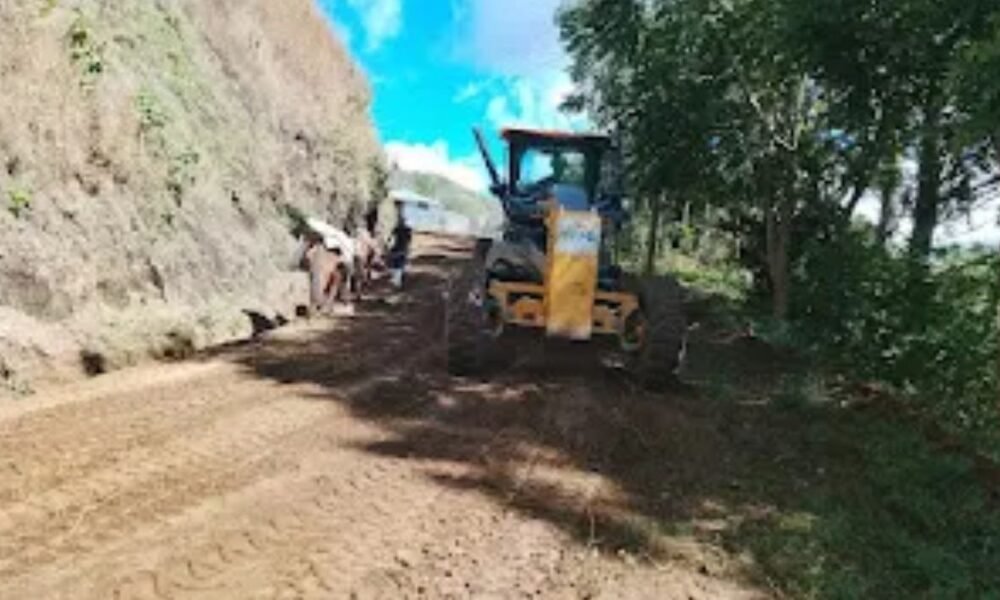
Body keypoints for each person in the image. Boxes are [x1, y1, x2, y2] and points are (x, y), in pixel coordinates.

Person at [386, 202, 413, 290]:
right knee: (397, 262)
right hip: (400, 247)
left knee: (397, 262)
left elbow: (390, 238)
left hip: (400, 247)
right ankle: (397, 279)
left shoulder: (399, 228)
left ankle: (397, 280)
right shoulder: (405, 229)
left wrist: (388, 244)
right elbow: (409, 240)